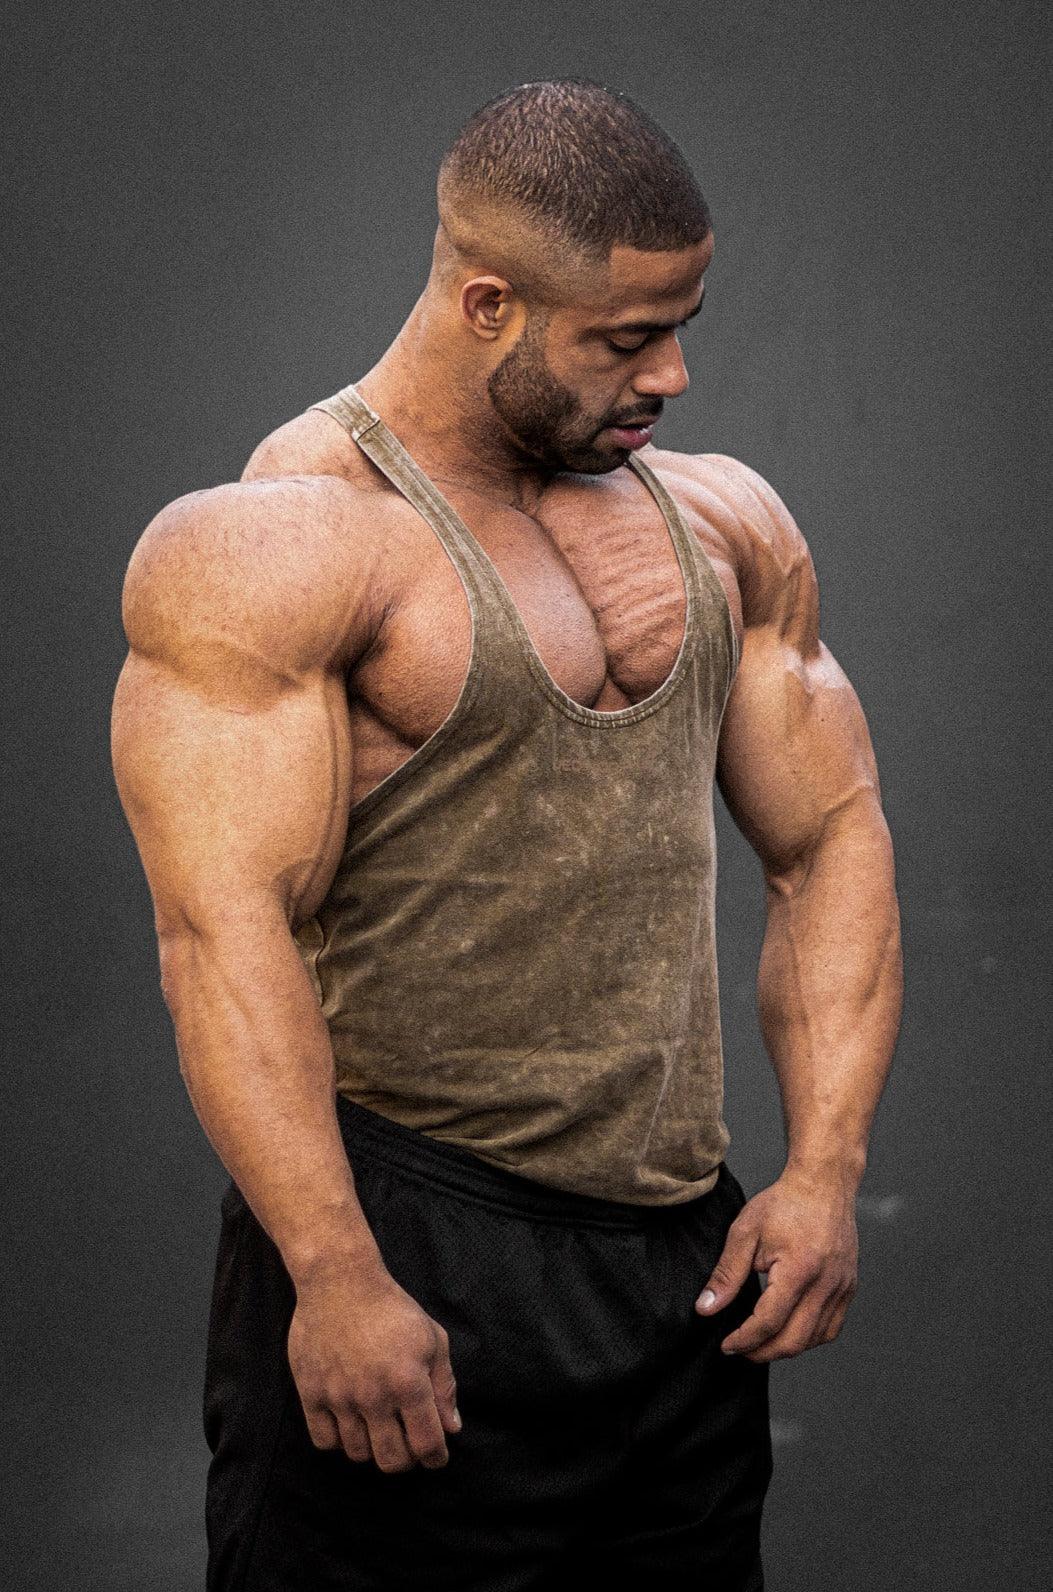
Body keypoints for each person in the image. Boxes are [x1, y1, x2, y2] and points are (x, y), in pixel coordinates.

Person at [111, 78, 902, 1592]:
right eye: (623, 339)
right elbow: (220, 930)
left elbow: (829, 841)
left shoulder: (721, 524)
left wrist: (821, 1171)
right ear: (488, 304)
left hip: (677, 1266)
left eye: (682, 326)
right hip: (409, 1237)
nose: (671, 374)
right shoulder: (288, 541)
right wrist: (332, 1269)